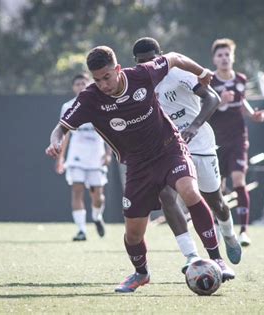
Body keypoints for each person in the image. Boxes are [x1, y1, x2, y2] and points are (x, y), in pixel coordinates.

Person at [45, 45, 235, 293]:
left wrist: (202, 72)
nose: (103, 84)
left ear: (118, 69)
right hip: (136, 165)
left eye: (107, 77)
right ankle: (141, 273)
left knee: (189, 191)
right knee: (133, 233)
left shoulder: (143, 74)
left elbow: (175, 57)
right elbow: (62, 127)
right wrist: (55, 140)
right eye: (97, 79)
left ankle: (216, 258)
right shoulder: (90, 98)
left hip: (169, 149)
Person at [132, 37, 242, 271]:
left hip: (200, 142)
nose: (148, 65)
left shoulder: (177, 73)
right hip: (169, 148)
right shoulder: (140, 84)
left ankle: (230, 235)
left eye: (151, 60)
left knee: (216, 201)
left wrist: (194, 126)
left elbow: (212, 98)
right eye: (142, 62)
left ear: (160, 56)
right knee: (167, 197)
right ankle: (192, 255)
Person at [209, 38, 264, 246]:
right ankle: (220, 227)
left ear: (232, 57)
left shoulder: (241, 79)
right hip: (215, 142)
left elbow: (242, 101)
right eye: (220, 55)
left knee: (239, 180)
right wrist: (220, 102)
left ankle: (244, 231)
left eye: (227, 55)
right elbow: (205, 110)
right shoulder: (210, 82)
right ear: (214, 59)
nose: (224, 58)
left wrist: (253, 116)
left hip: (238, 139)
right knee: (217, 188)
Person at [55, 74, 111, 241]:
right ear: (73, 87)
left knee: (97, 197)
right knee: (77, 191)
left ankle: (96, 217)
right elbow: (64, 134)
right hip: (76, 157)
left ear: (90, 84)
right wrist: (60, 158)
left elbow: (110, 131)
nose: (80, 86)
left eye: (83, 83)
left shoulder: (101, 103)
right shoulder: (68, 106)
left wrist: (108, 154)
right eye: (77, 84)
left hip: (96, 157)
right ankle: (81, 230)